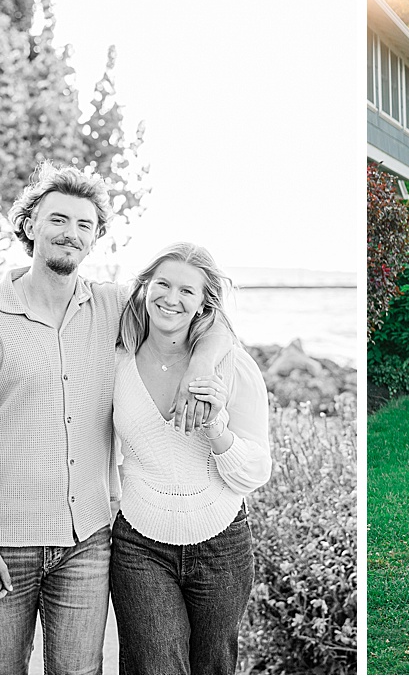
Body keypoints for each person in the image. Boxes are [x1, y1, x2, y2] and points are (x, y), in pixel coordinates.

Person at [0, 163, 230, 674]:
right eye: (58, 220)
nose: (71, 233)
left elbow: (205, 316)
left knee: (81, 675)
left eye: (84, 225)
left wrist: (199, 365)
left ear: (95, 238)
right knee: (0, 670)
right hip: (5, 541)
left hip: (87, 541)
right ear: (29, 226)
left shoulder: (112, 307)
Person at [110, 242, 271, 674]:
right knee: (154, 668)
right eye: (162, 284)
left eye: (187, 291)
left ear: (204, 305)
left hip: (222, 543)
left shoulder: (231, 366)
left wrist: (217, 427)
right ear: (145, 287)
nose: (171, 298)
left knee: (213, 669)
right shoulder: (115, 361)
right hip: (139, 543)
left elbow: (255, 471)